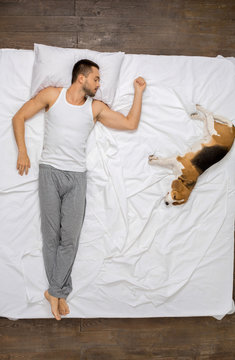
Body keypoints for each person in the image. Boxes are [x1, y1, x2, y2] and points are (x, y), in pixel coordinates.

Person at [12, 59, 146, 321]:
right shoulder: (52, 95)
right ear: (81, 78)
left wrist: (138, 93)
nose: (99, 84)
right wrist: (23, 152)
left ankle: (54, 292)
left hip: (77, 177)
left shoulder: (95, 108)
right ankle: (59, 293)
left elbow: (130, 124)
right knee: (50, 237)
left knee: (70, 239)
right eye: (96, 79)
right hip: (49, 171)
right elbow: (19, 117)